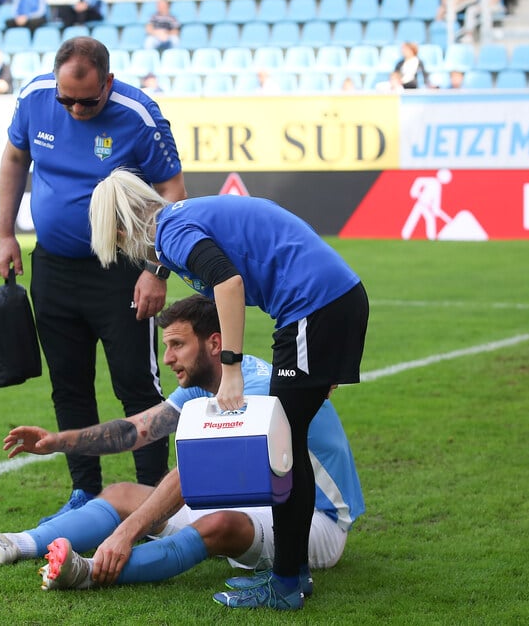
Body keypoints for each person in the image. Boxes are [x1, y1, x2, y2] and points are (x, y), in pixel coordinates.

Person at [0, 295, 364, 600]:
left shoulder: (252, 387)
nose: (169, 357)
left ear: (215, 343)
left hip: (315, 522)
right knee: (120, 493)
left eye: (177, 345)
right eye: (166, 345)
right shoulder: (209, 380)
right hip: (260, 502)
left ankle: (86, 574)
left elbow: (196, 474)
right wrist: (57, 442)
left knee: (218, 525)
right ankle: (13, 544)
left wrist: (126, 534)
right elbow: (138, 430)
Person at [87, 169, 369, 610]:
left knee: (283, 450)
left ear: (122, 228)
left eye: (119, 243)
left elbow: (228, 282)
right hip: (322, 305)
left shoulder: (173, 231)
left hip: (314, 308)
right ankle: (292, 575)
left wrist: (231, 367)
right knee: (288, 444)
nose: (129, 253)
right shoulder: (182, 220)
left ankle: (285, 583)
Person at [0, 37, 187, 523]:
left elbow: (174, 191)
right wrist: (5, 235)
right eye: (68, 99)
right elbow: (15, 158)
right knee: (69, 384)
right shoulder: (35, 98)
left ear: (109, 82)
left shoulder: (138, 115)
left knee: (136, 385)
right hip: (53, 269)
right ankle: (84, 493)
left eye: (88, 99)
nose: (76, 108)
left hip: (122, 273)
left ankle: (149, 501)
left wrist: (155, 268)